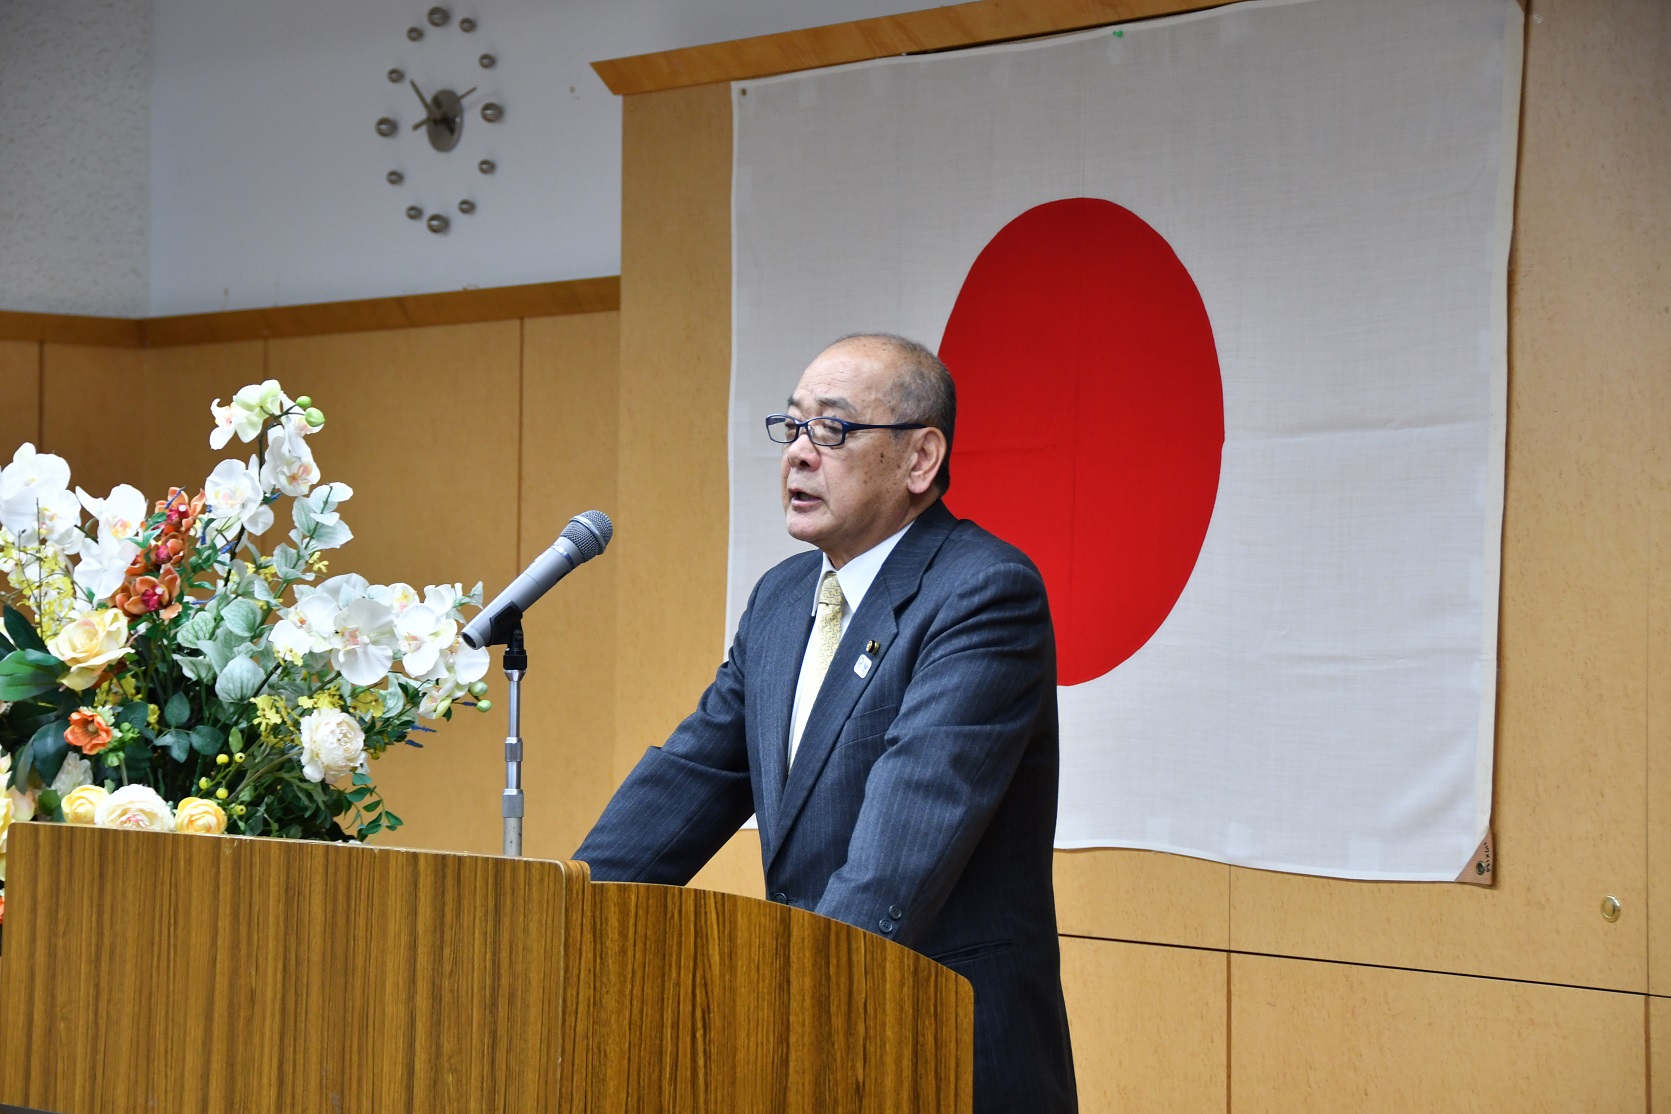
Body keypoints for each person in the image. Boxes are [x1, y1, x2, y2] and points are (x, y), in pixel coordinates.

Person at [575, 333, 1077, 1113]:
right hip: (816, 1030)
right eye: (792, 426)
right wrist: (559, 913)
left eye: (833, 429)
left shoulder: (983, 593)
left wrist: (786, 1008)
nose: (799, 455)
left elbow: (907, 833)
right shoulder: (781, 599)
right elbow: (692, 775)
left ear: (920, 459)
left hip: (944, 1046)